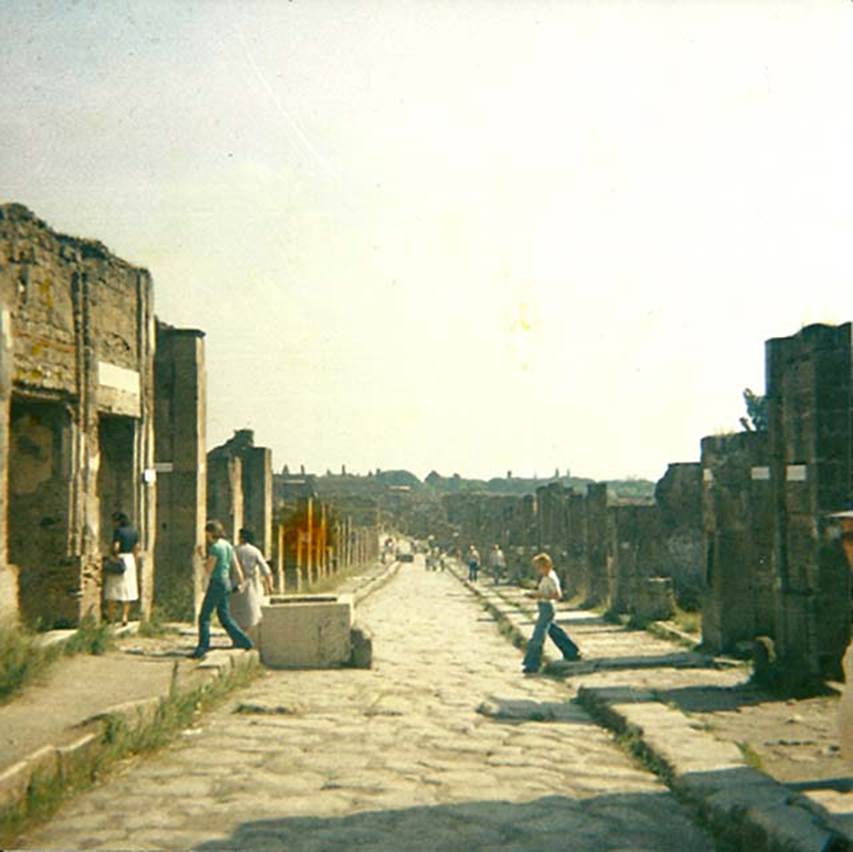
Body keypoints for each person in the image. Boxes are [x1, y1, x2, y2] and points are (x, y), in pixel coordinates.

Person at [189, 521, 254, 660]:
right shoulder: (228, 546)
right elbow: (235, 566)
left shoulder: (215, 548)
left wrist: (201, 556)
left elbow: (208, 569)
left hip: (217, 583)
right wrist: (241, 582)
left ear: (210, 533)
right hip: (226, 582)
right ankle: (243, 640)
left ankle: (202, 647)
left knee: (204, 616)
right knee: (224, 616)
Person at [522, 552, 581, 674]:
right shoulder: (546, 577)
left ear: (546, 565)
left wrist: (538, 595)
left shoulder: (551, 578)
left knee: (537, 636)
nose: (538, 570)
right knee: (555, 631)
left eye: (539, 567)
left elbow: (558, 595)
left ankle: (532, 664)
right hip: (544, 607)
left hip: (547, 608)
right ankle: (572, 652)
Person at [231, 528, 274, 645]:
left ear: (241, 538)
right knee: (251, 613)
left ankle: (237, 639)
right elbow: (266, 570)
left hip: (235, 584)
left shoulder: (233, 550)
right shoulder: (254, 551)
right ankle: (247, 638)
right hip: (251, 584)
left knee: (236, 613)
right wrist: (270, 585)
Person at [104, 512, 140, 626]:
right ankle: (125, 617)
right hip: (130, 560)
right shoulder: (134, 532)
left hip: (119, 559)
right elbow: (137, 549)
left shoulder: (118, 532)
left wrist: (111, 555)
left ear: (118, 521)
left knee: (113, 589)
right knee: (128, 590)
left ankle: (111, 618)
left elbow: (116, 547)